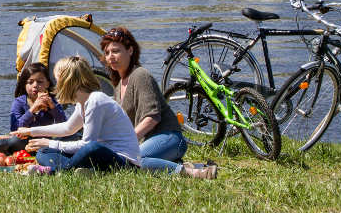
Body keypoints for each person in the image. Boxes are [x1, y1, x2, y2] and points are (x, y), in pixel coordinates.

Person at [101, 26, 217, 179]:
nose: (110, 57)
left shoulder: (140, 75)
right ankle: (181, 165)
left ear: (130, 50)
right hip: (146, 142)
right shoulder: (118, 86)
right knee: (119, 162)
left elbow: (152, 118)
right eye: (107, 53)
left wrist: (127, 141)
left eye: (116, 51)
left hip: (169, 138)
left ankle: (197, 173)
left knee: (133, 162)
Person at [12, 56, 141, 174]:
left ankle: (55, 171)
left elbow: (87, 145)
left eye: (58, 80)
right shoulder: (82, 103)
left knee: (92, 147)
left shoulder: (95, 100)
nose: (56, 85)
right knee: (43, 152)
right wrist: (30, 131)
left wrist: (51, 143)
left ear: (67, 81)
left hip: (124, 163)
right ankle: (78, 170)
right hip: (101, 160)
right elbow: (68, 128)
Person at [0, 62, 67, 154]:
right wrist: (33, 109)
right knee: (11, 141)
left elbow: (63, 125)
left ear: (47, 84)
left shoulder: (53, 101)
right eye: (30, 82)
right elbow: (15, 128)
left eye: (40, 82)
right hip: (24, 141)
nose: (35, 85)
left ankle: (44, 151)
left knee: (71, 137)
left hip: (45, 141)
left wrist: (52, 107)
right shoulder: (19, 102)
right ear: (24, 85)